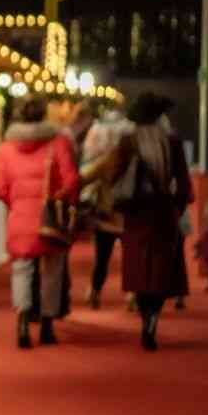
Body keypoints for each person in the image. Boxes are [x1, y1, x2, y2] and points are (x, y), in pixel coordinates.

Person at [0, 96, 79, 348]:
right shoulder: (58, 142)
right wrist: (62, 200)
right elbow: (72, 180)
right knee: (52, 271)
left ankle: (22, 321)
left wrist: (16, 204)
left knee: (22, 270)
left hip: (20, 217)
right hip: (49, 217)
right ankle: (47, 325)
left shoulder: (6, 148)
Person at [108, 93, 191, 350]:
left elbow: (114, 176)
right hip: (163, 212)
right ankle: (153, 317)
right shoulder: (171, 141)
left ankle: (145, 318)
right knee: (161, 270)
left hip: (136, 214)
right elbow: (184, 182)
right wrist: (176, 208)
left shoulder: (127, 141)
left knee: (139, 270)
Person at [79, 108, 134, 308]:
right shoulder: (136, 160)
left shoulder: (107, 159)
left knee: (102, 258)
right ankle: (132, 295)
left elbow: (86, 177)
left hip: (106, 215)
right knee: (131, 258)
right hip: (129, 216)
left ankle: (94, 291)